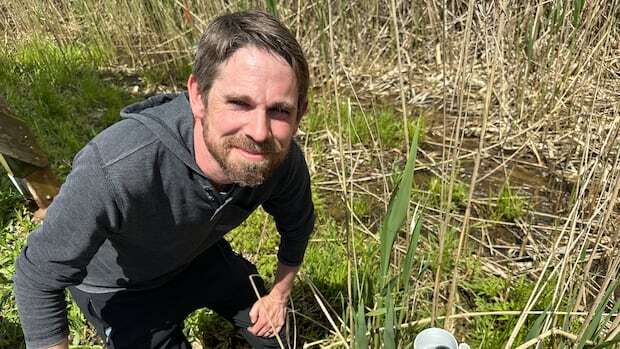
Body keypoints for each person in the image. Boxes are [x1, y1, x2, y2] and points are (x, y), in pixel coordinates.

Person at [13, 10, 314, 349]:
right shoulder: (116, 168)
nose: (259, 133)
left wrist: (279, 295)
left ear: (300, 112)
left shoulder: (281, 158)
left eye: (279, 110)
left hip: (197, 257)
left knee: (279, 340)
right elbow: (36, 276)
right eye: (239, 104)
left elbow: (297, 226)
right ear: (198, 97)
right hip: (121, 287)